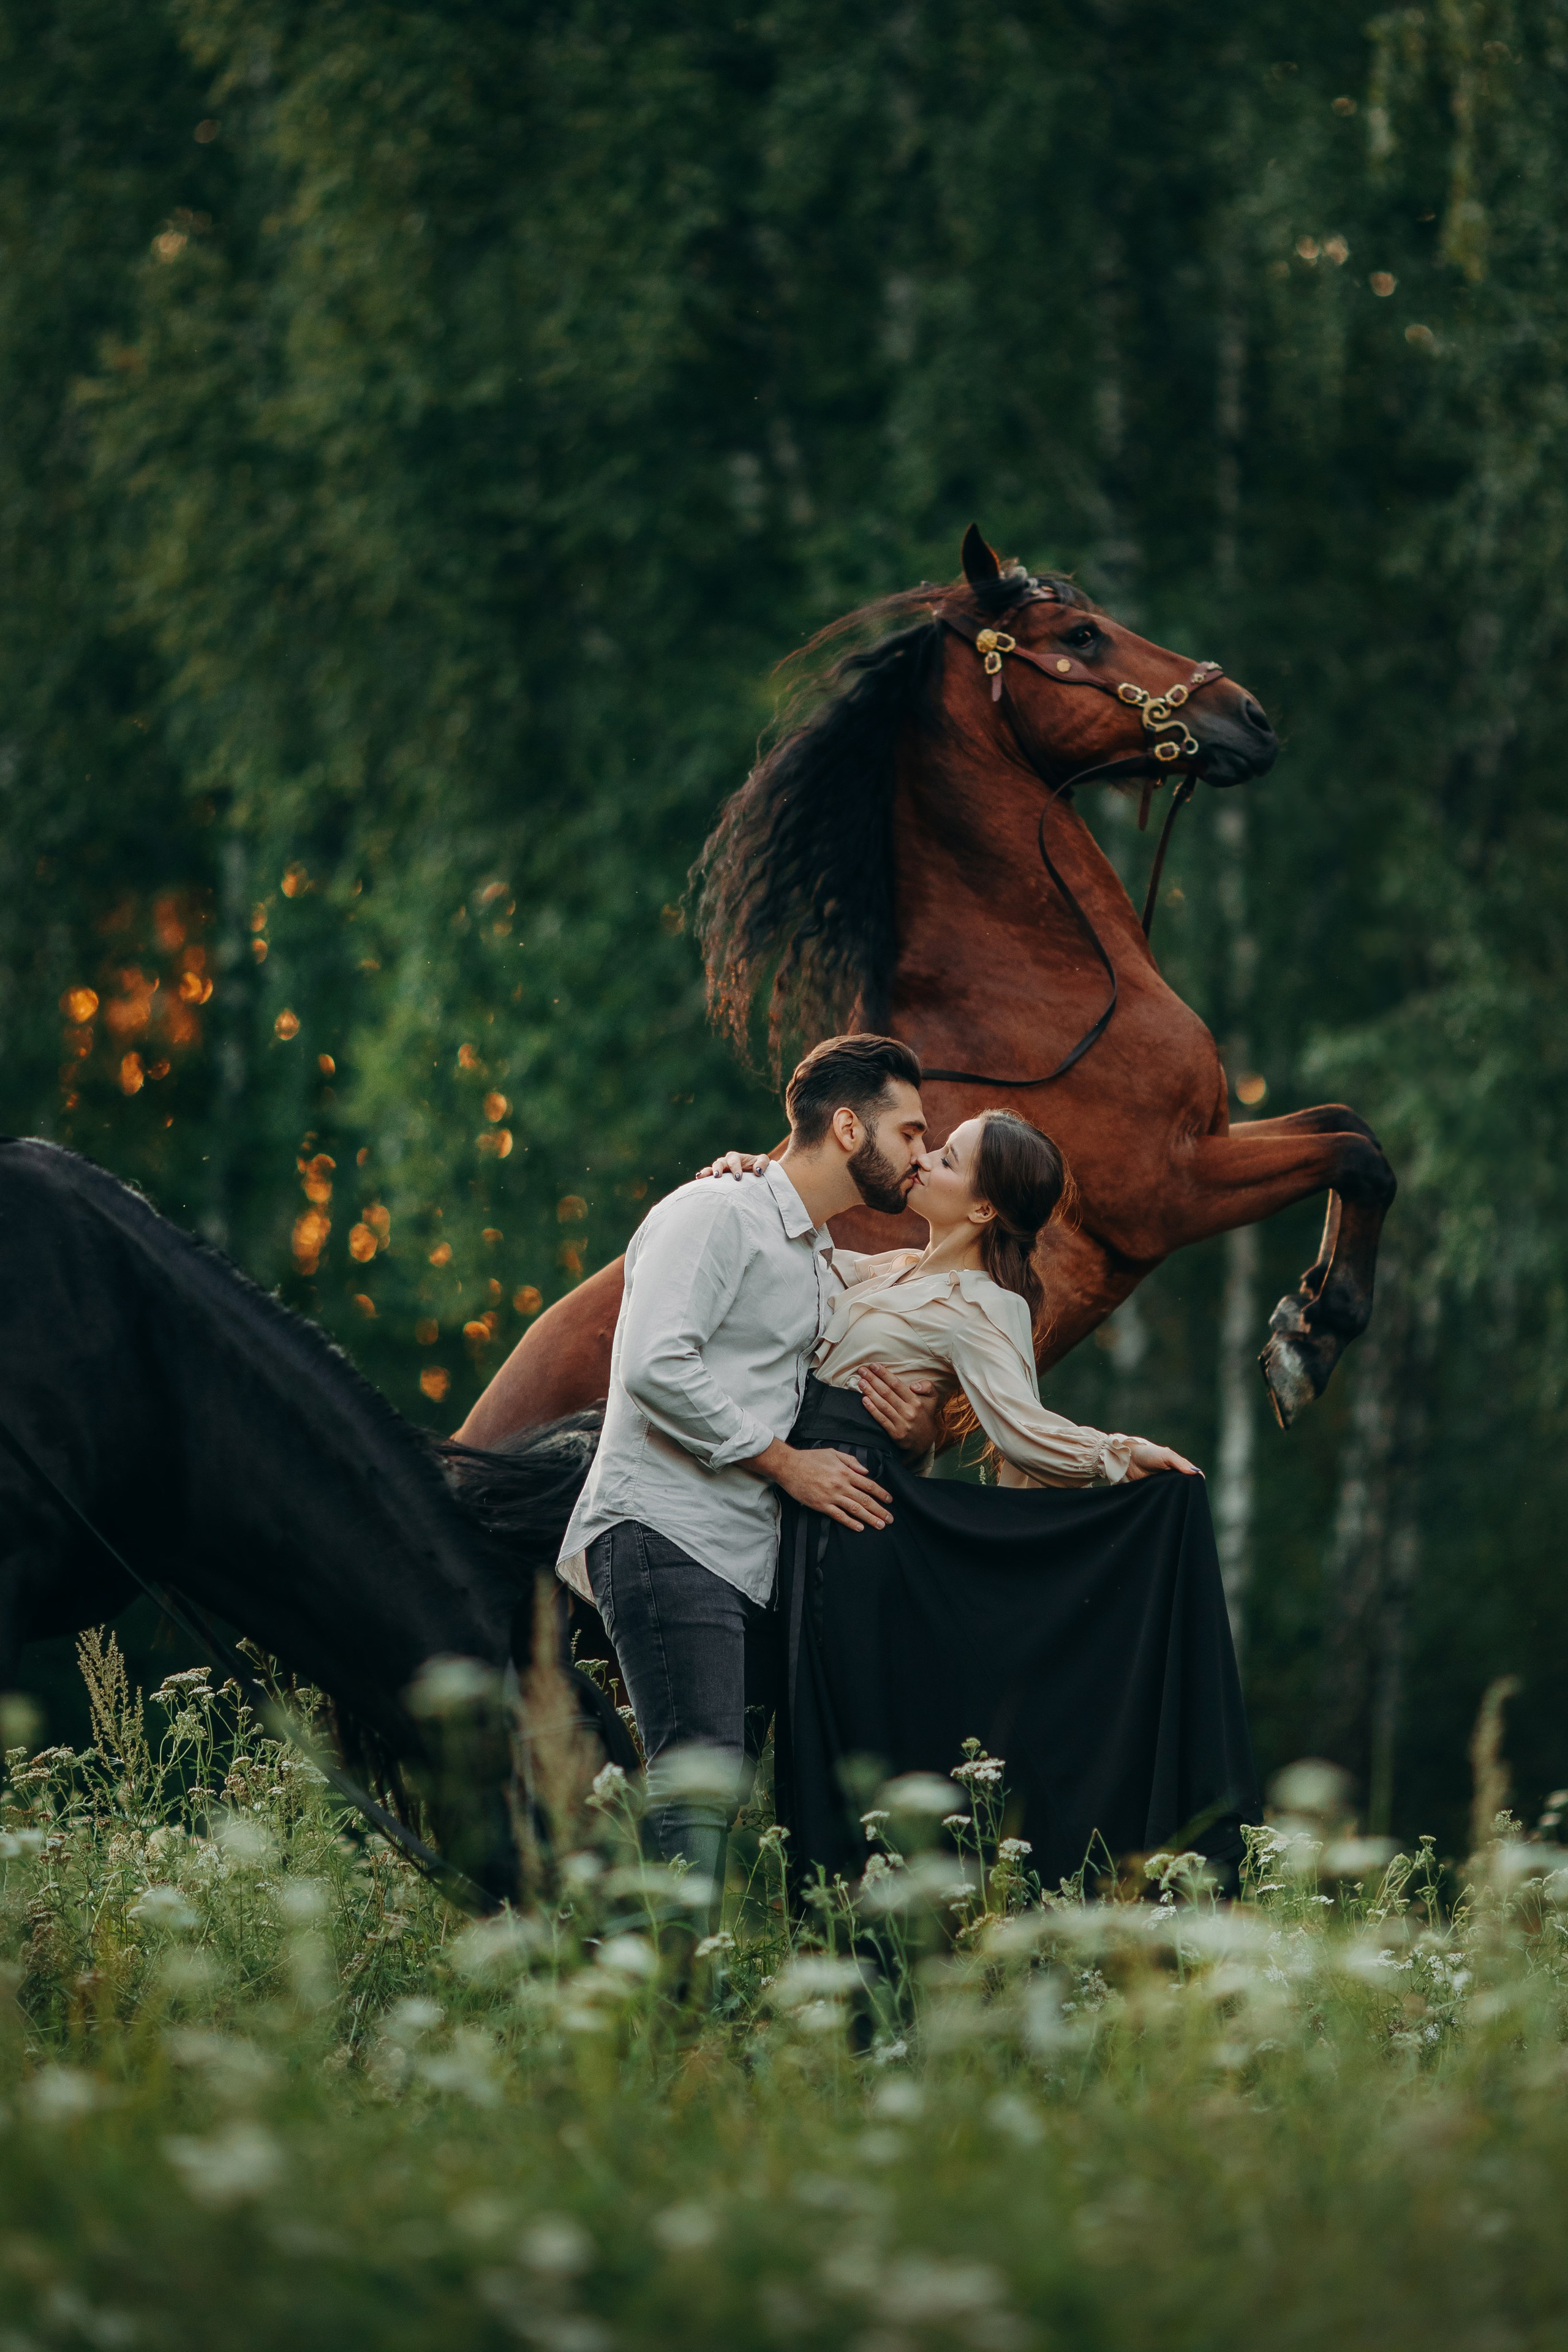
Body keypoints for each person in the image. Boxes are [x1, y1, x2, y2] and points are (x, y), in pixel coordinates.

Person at [706, 1108, 1259, 1893]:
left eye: (949, 1157)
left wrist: (1115, 1454)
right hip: (804, 1490)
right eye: (934, 1145)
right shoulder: (888, 1266)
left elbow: (1023, 1433)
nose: (924, 1158)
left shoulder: (985, 1302)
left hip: (855, 1520)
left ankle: (875, 1948)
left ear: (981, 1209)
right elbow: (790, 1258)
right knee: (809, 1735)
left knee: (844, 1743)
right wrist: (748, 1181)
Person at [555, 1034, 942, 1899]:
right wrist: (787, 1465)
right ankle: (654, 2015)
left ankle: (643, 1978)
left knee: (715, 1798)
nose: (921, 1153)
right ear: (849, 1127)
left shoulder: (812, 1256)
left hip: (747, 1556)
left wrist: (920, 1430)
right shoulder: (715, 1213)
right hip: (664, 1526)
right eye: (911, 1132)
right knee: (698, 1789)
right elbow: (656, 1365)